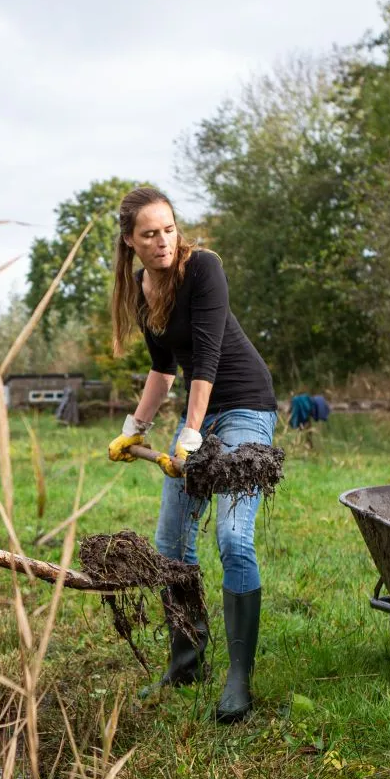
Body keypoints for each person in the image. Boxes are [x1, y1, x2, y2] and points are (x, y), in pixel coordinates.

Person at [106, 186, 279, 723]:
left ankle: (238, 679)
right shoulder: (141, 287)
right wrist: (135, 428)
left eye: (168, 229)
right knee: (171, 540)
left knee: (233, 536)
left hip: (246, 408)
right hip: (200, 418)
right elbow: (164, 370)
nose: (162, 242)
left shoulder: (203, 268)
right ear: (130, 241)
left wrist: (192, 433)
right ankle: (186, 663)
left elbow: (205, 357)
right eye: (149, 234)